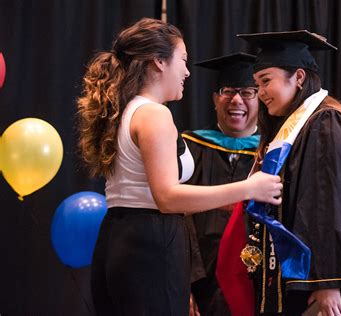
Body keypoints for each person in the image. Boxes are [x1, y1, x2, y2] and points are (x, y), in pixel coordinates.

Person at [76, 18, 282, 315]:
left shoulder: (127, 109)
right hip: (149, 246)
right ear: (159, 61)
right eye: (183, 60)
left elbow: (147, 193)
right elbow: (167, 197)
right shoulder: (154, 115)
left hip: (120, 238)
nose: (186, 71)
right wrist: (250, 187)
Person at [230, 30, 341, 315]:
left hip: (321, 283)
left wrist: (328, 281)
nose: (260, 93)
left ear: (298, 77)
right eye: (257, 84)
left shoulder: (327, 123)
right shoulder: (296, 128)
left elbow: (333, 204)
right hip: (299, 278)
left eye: (266, 81)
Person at [183, 52, 260, 316]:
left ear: (261, 99)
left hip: (256, 281)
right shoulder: (190, 149)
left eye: (248, 92)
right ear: (216, 99)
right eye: (228, 91)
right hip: (201, 280)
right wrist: (185, 283)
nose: (236, 100)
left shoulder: (273, 155)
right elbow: (179, 219)